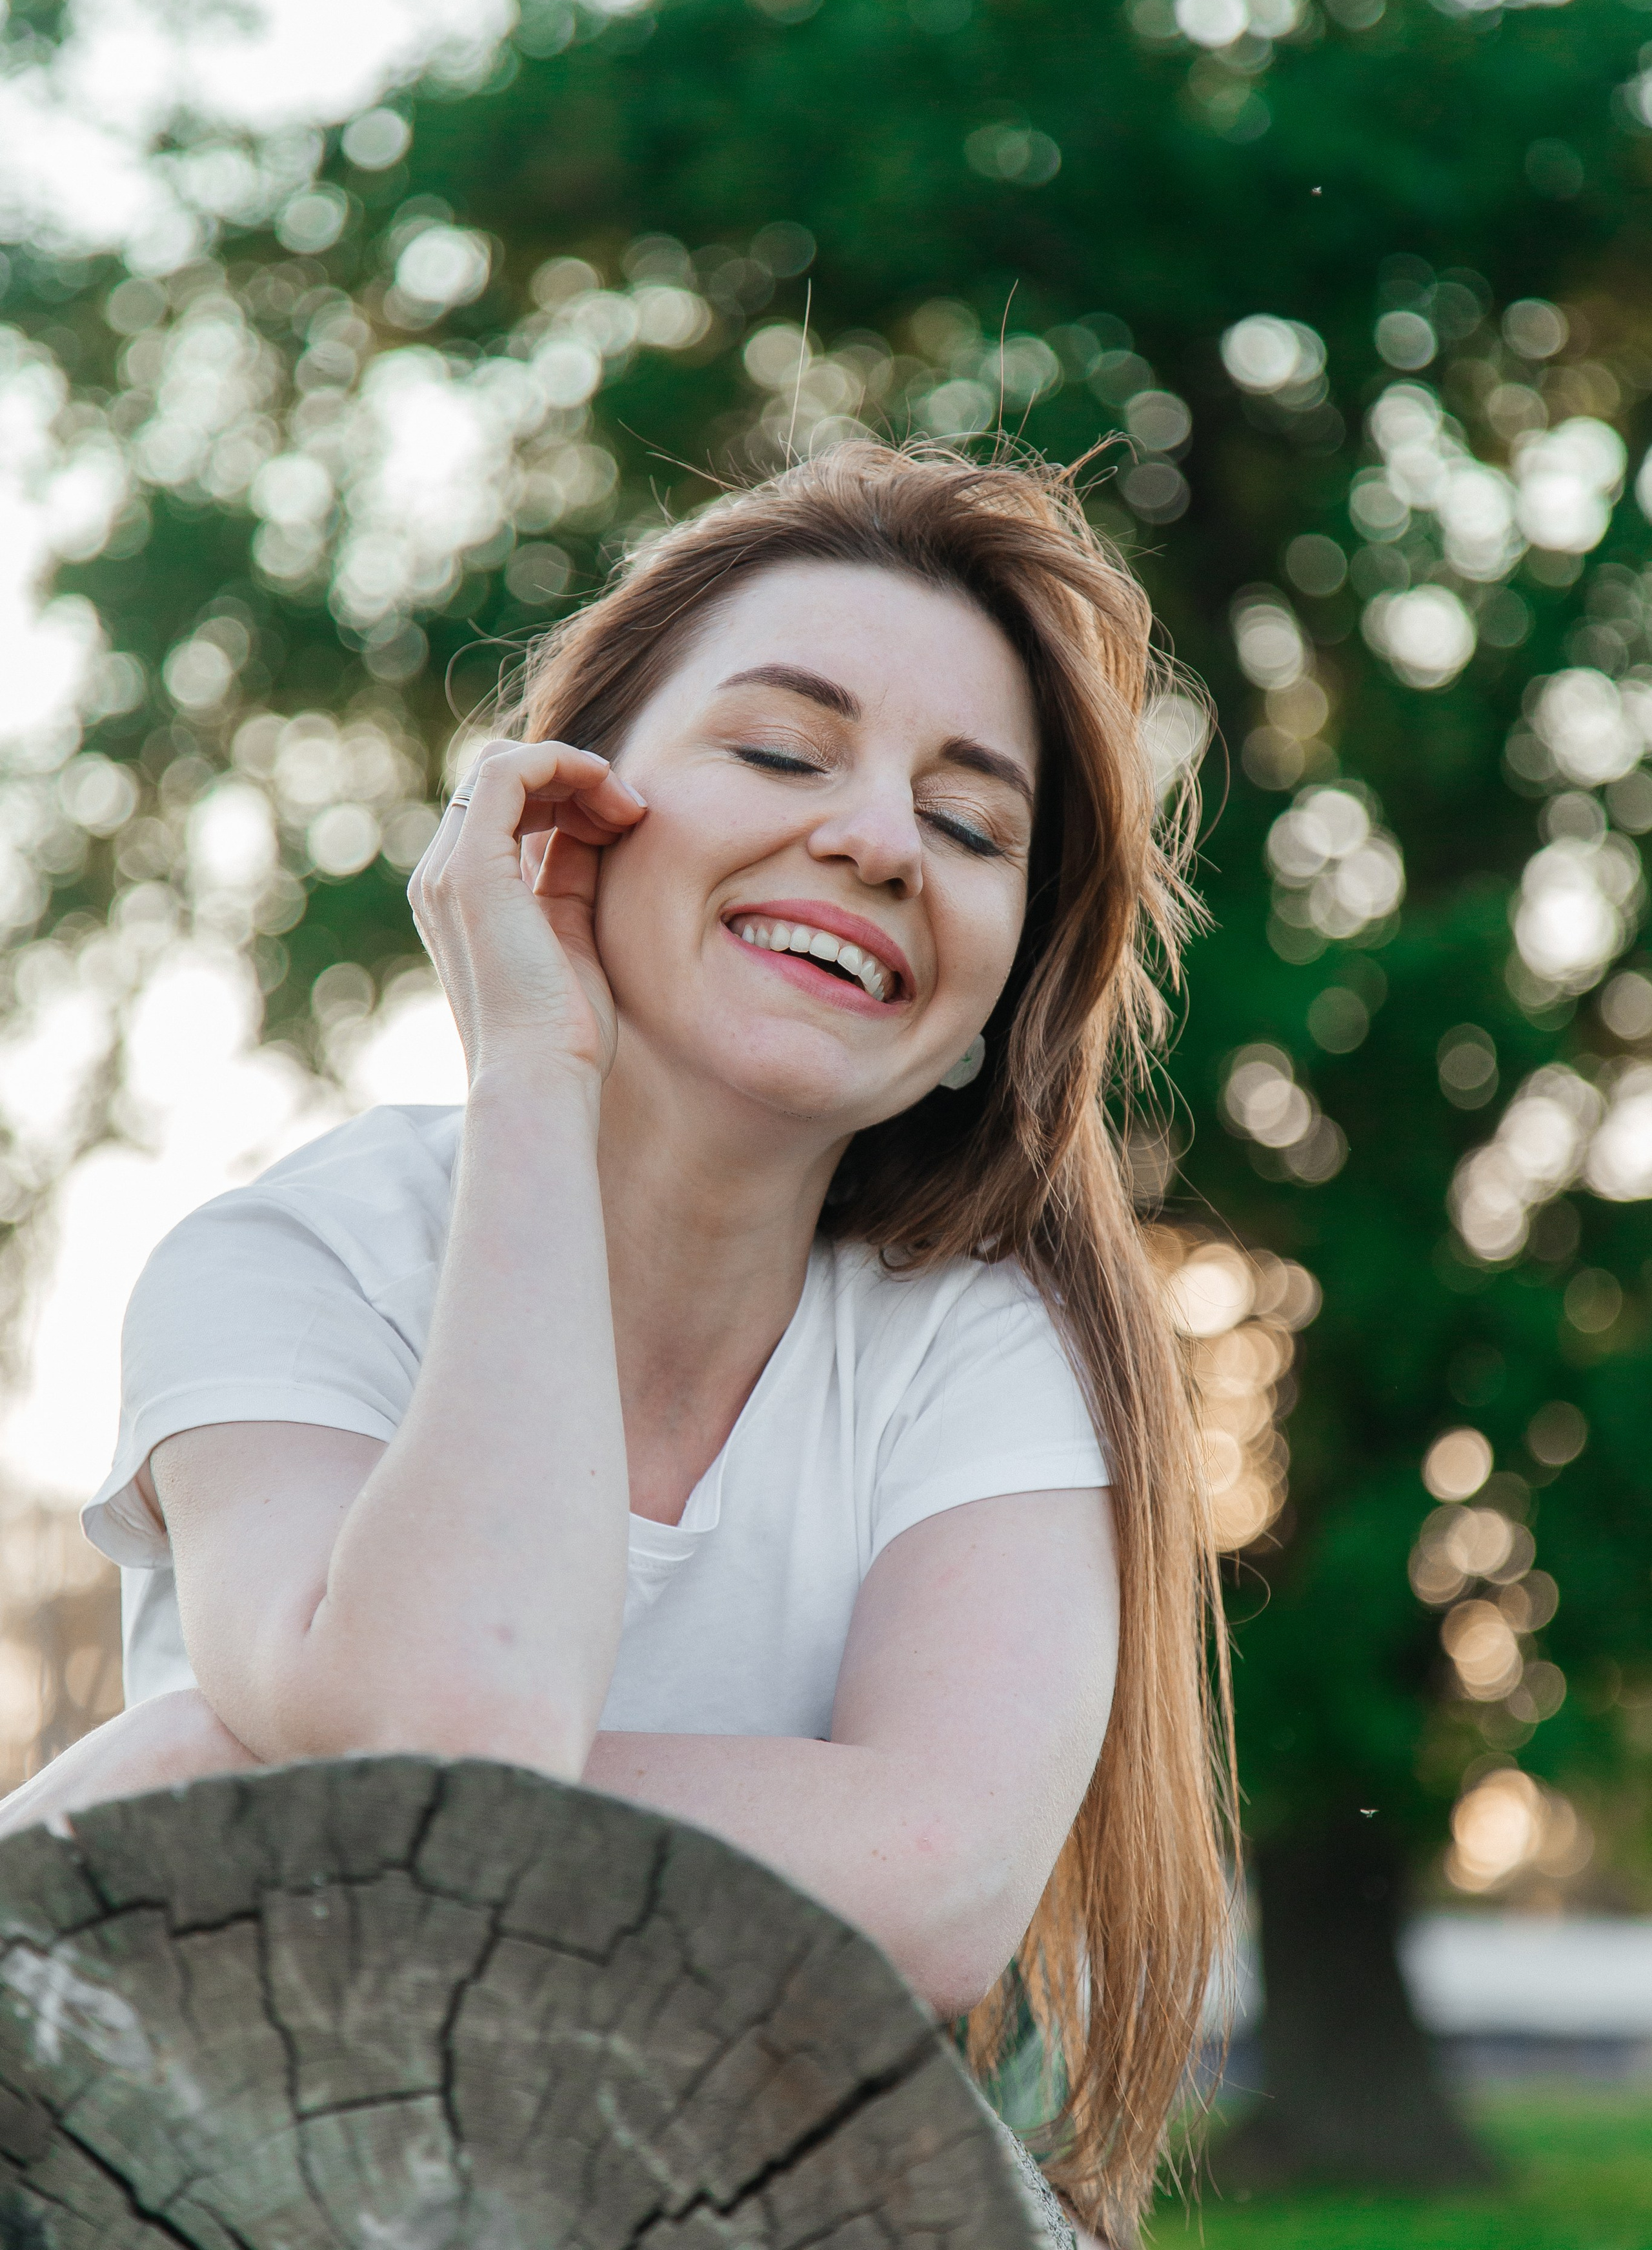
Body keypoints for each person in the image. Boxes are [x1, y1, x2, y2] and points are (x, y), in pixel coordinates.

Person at [0, 443, 1230, 2245]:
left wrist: (228, 1764)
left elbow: (945, 1878)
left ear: (991, 1007)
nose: (879, 840)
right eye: (781, 751)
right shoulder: (289, 1265)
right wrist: (534, 1066)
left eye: (970, 827)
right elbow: (455, 1724)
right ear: (568, 819)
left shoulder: (983, 1351)